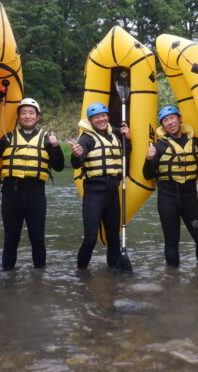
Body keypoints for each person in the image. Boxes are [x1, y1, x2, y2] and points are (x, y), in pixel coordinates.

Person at [0, 98, 64, 271]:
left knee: (37, 238)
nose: (27, 116)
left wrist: (56, 147)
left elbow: (59, 166)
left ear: (38, 117)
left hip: (36, 195)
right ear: (18, 116)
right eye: (23, 113)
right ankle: (8, 276)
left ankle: (39, 277)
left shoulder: (47, 140)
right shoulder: (8, 137)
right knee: (11, 238)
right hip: (11, 195)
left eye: (31, 113)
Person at [143, 105, 198, 268]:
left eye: (172, 118)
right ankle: (173, 281)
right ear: (162, 126)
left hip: (190, 201)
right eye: (165, 120)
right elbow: (147, 175)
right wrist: (148, 159)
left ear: (180, 119)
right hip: (168, 201)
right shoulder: (158, 147)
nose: (170, 122)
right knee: (172, 241)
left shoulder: (195, 142)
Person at [69, 102, 130, 272]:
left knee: (114, 238)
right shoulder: (86, 138)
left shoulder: (115, 134)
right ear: (91, 120)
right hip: (94, 195)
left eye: (103, 115)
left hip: (112, 193)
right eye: (97, 117)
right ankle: (81, 270)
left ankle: (114, 270)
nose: (101, 119)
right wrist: (76, 155)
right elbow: (76, 163)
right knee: (90, 238)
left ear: (107, 117)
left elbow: (126, 154)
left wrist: (128, 137)